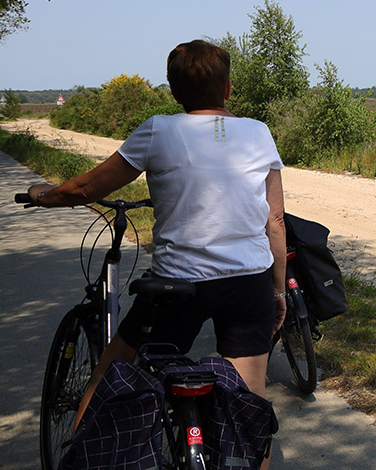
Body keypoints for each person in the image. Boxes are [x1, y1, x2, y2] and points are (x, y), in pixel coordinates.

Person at [27, 39, 286, 467]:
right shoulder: (257, 132)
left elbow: (88, 188)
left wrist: (43, 196)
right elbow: (274, 222)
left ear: (173, 91)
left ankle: (79, 456)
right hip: (248, 283)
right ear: (228, 88)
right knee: (248, 403)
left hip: (177, 287)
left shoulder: (159, 128)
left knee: (111, 376)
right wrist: (277, 291)